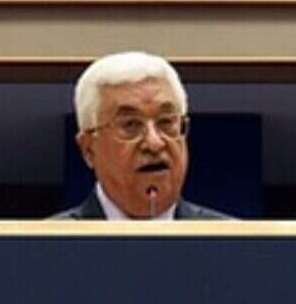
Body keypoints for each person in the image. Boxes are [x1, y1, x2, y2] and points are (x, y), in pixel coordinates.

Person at [52, 51, 230, 220]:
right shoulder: (50, 239)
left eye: (166, 121)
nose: (154, 143)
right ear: (88, 149)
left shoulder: (233, 238)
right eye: (130, 125)